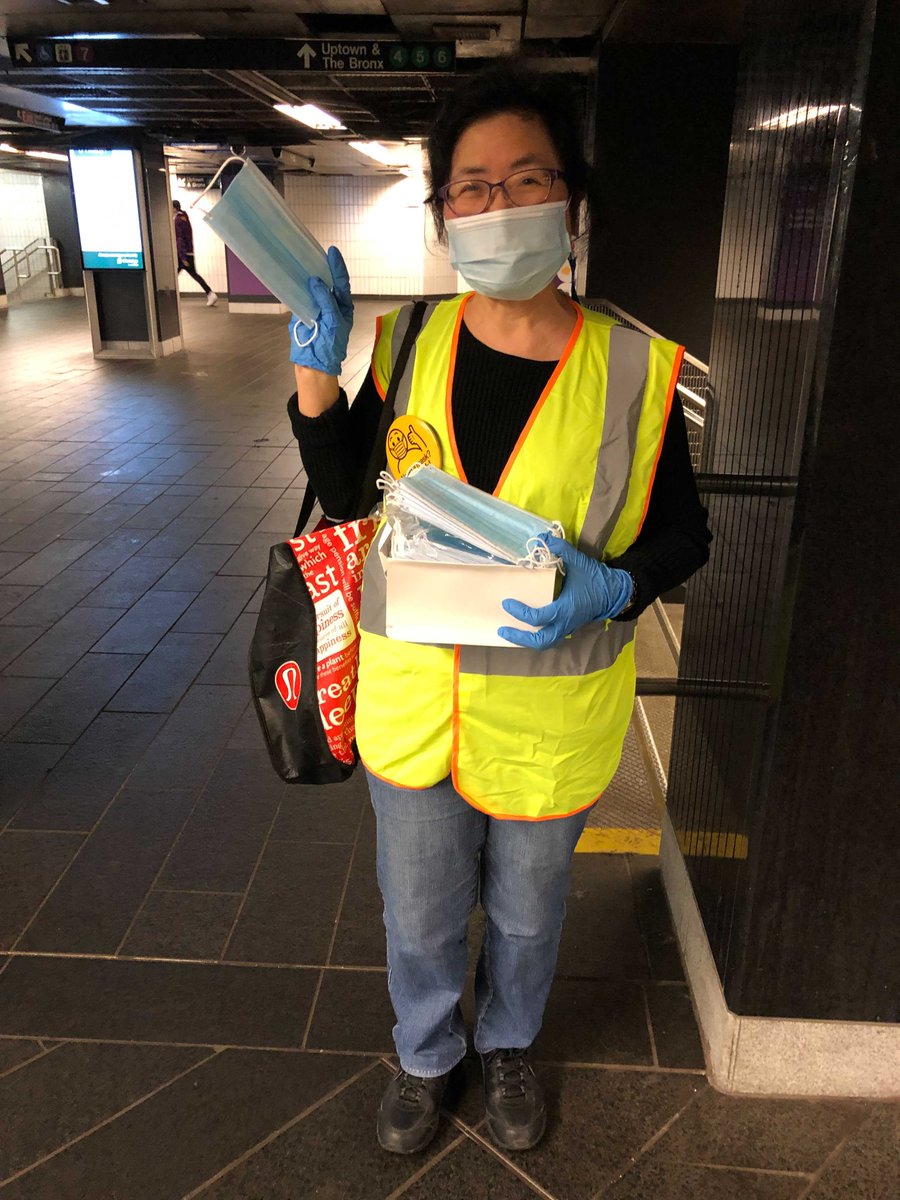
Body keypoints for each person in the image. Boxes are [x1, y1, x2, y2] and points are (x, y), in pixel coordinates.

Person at [288, 62, 712, 1155]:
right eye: (471, 186)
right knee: (420, 912)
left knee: (528, 915)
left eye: (527, 178)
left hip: (548, 710)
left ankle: (510, 1040)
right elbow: (352, 497)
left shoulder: (637, 369)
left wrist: (618, 587)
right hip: (416, 708)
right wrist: (318, 379)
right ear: (443, 215)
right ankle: (427, 1053)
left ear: (571, 200)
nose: (498, 203)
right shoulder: (411, 342)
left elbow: (686, 535)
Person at [172, 199, 217, 305]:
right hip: (188, 252)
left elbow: (179, 239)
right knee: (192, 274)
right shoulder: (184, 217)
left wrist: (182, 257)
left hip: (182, 254)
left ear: (174, 208)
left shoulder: (177, 221)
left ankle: (165, 296)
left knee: (172, 276)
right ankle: (210, 293)